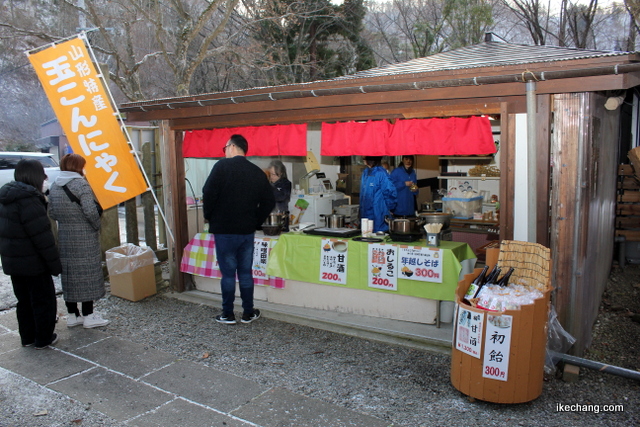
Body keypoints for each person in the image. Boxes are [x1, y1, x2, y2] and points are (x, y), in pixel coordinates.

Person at [203, 134, 275, 325]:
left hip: (224, 231)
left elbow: (207, 193)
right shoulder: (257, 172)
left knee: (227, 274)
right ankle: (248, 312)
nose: (225, 151)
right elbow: (269, 201)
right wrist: (256, 221)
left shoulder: (221, 167)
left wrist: (210, 216)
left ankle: (227, 314)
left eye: (225, 148)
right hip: (246, 231)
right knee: (245, 273)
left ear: (232, 146)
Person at [0, 159, 61, 349]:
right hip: (33, 263)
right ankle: (43, 338)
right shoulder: (30, 200)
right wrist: (54, 265)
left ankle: (27, 337)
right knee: (43, 301)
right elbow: (42, 238)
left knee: (24, 301)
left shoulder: (6, 197)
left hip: (13, 262)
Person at [48, 154, 109, 329]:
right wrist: (96, 226)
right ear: (78, 167)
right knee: (87, 275)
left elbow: (52, 213)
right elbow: (90, 211)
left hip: (65, 235)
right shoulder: (81, 184)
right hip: (84, 236)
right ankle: (89, 315)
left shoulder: (55, 185)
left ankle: (73, 315)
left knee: (69, 275)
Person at [359, 156, 397, 232]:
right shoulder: (365, 172)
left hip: (378, 213)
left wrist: (390, 208)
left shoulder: (381, 173)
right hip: (365, 215)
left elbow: (390, 192)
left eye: (364, 157)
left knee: (378, 238)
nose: (362, 158)